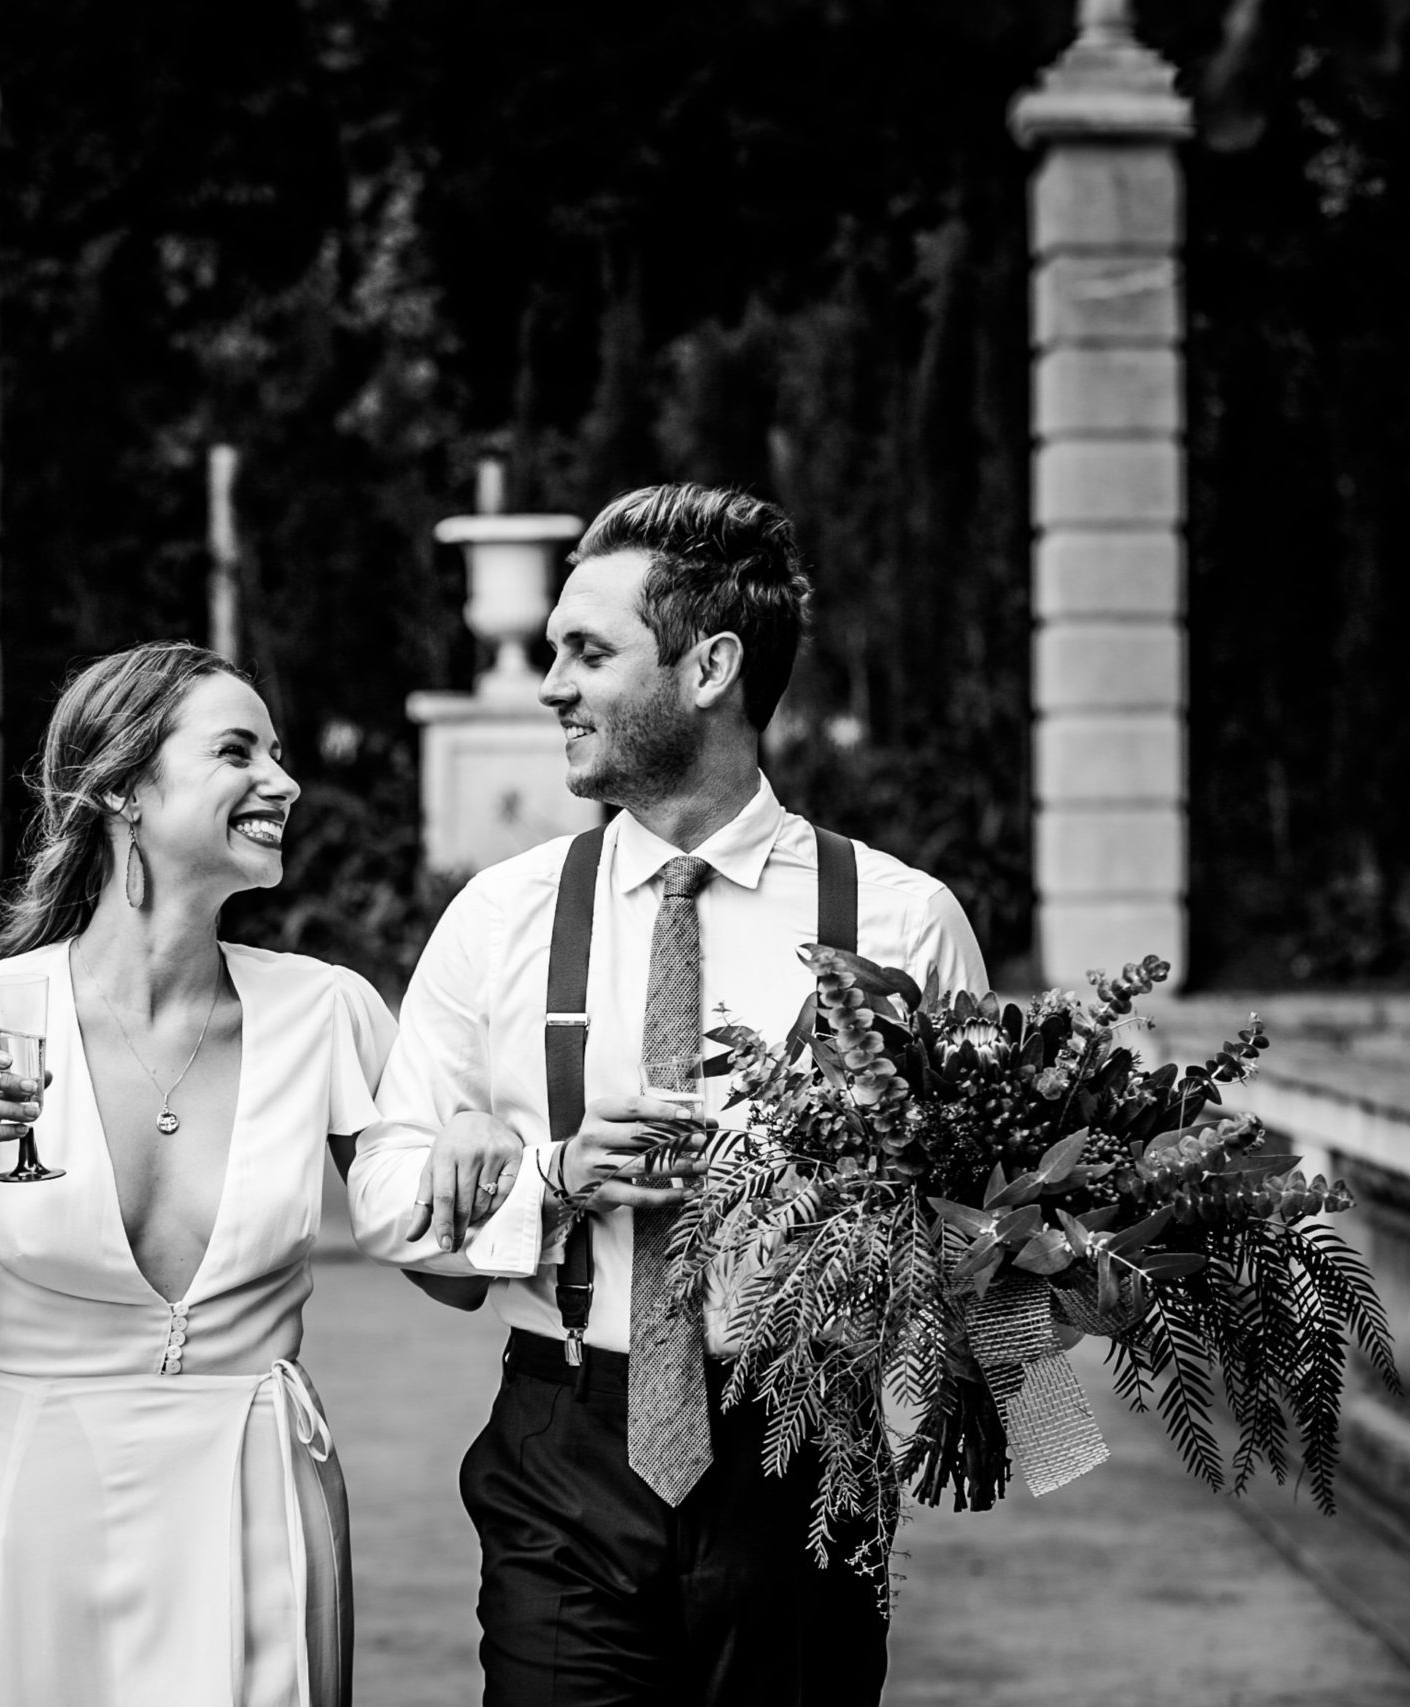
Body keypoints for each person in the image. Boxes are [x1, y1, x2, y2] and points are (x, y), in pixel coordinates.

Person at [348, 484, 990, 1707]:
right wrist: (548, 1183)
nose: (550, 685)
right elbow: (384, 1189)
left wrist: (1037, 1283)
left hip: (806, 1458)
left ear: (711, 666)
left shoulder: (902, 923)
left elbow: (983, 1228)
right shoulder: (501, 917)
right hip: (563, 1448)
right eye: (551, 652)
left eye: (587, 652)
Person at [0, 640, 489, 1707]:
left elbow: (457, 1275)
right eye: (237, 751)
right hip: (35, 1499)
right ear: (121, 793)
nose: (282, 781)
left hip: (253, 1502)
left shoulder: (326, 1011)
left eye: (277, 753)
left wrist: (483, 1144)